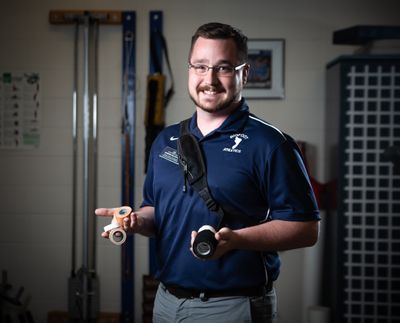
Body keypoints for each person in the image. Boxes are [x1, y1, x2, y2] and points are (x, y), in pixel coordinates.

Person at [96, 22, 320, 323]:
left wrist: (237, 239)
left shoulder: (271, 145)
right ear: (189, 70)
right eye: (200, 66)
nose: (209, 79)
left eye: (223, 68)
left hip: (232, 307)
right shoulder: (166, 139)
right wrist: (136, 220)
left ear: (244, 73)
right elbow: (155, 210)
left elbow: (305, 229)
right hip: (165, 302)